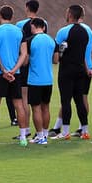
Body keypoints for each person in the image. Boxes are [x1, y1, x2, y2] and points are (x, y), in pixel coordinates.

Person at [0, 5, 28, 147]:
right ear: (12, 16)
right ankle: (23, 137)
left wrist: (4, 71)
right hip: (16, 74)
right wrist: (14, 70)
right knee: (19, 105)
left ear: (0, 15)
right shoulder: (20, 31)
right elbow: (24, 54)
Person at [51, 5, 92, 141]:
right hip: (80, 69)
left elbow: (57, 50)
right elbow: (83, 52)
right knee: (79, 101)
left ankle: (65, 132)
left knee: (66, 100)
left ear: (69, 14)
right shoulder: (85, 31)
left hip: (67, 70)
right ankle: (85, 131)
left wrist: (60, 55)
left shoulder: (63, 31)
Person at [25, 17, 57, 145]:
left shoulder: (29, 40)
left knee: (36, 108)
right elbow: (55, 60)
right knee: (46, 107)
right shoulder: (52, 40)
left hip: (34, 80)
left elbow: (26, 61)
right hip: (48, 79)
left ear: (33, 27)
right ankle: (44, 133)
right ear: (43, 27)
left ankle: (40, 136)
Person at [15, 0, 44, 137]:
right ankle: (41, 132)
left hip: (25, 64)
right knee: (42, 103)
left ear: (27, 8)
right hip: (39, 66)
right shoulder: (44, 24)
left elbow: (19, 45)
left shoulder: (20, 24)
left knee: (24, 98)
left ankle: (25, 130)